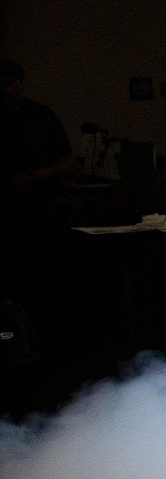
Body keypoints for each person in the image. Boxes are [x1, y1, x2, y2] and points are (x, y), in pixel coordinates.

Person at [1, 59, 78, 299]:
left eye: (11, 84)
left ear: (21, 84)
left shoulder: (40, 115)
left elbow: (67, 158)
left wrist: (36, 176)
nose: (8, 90)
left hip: (40, 206)